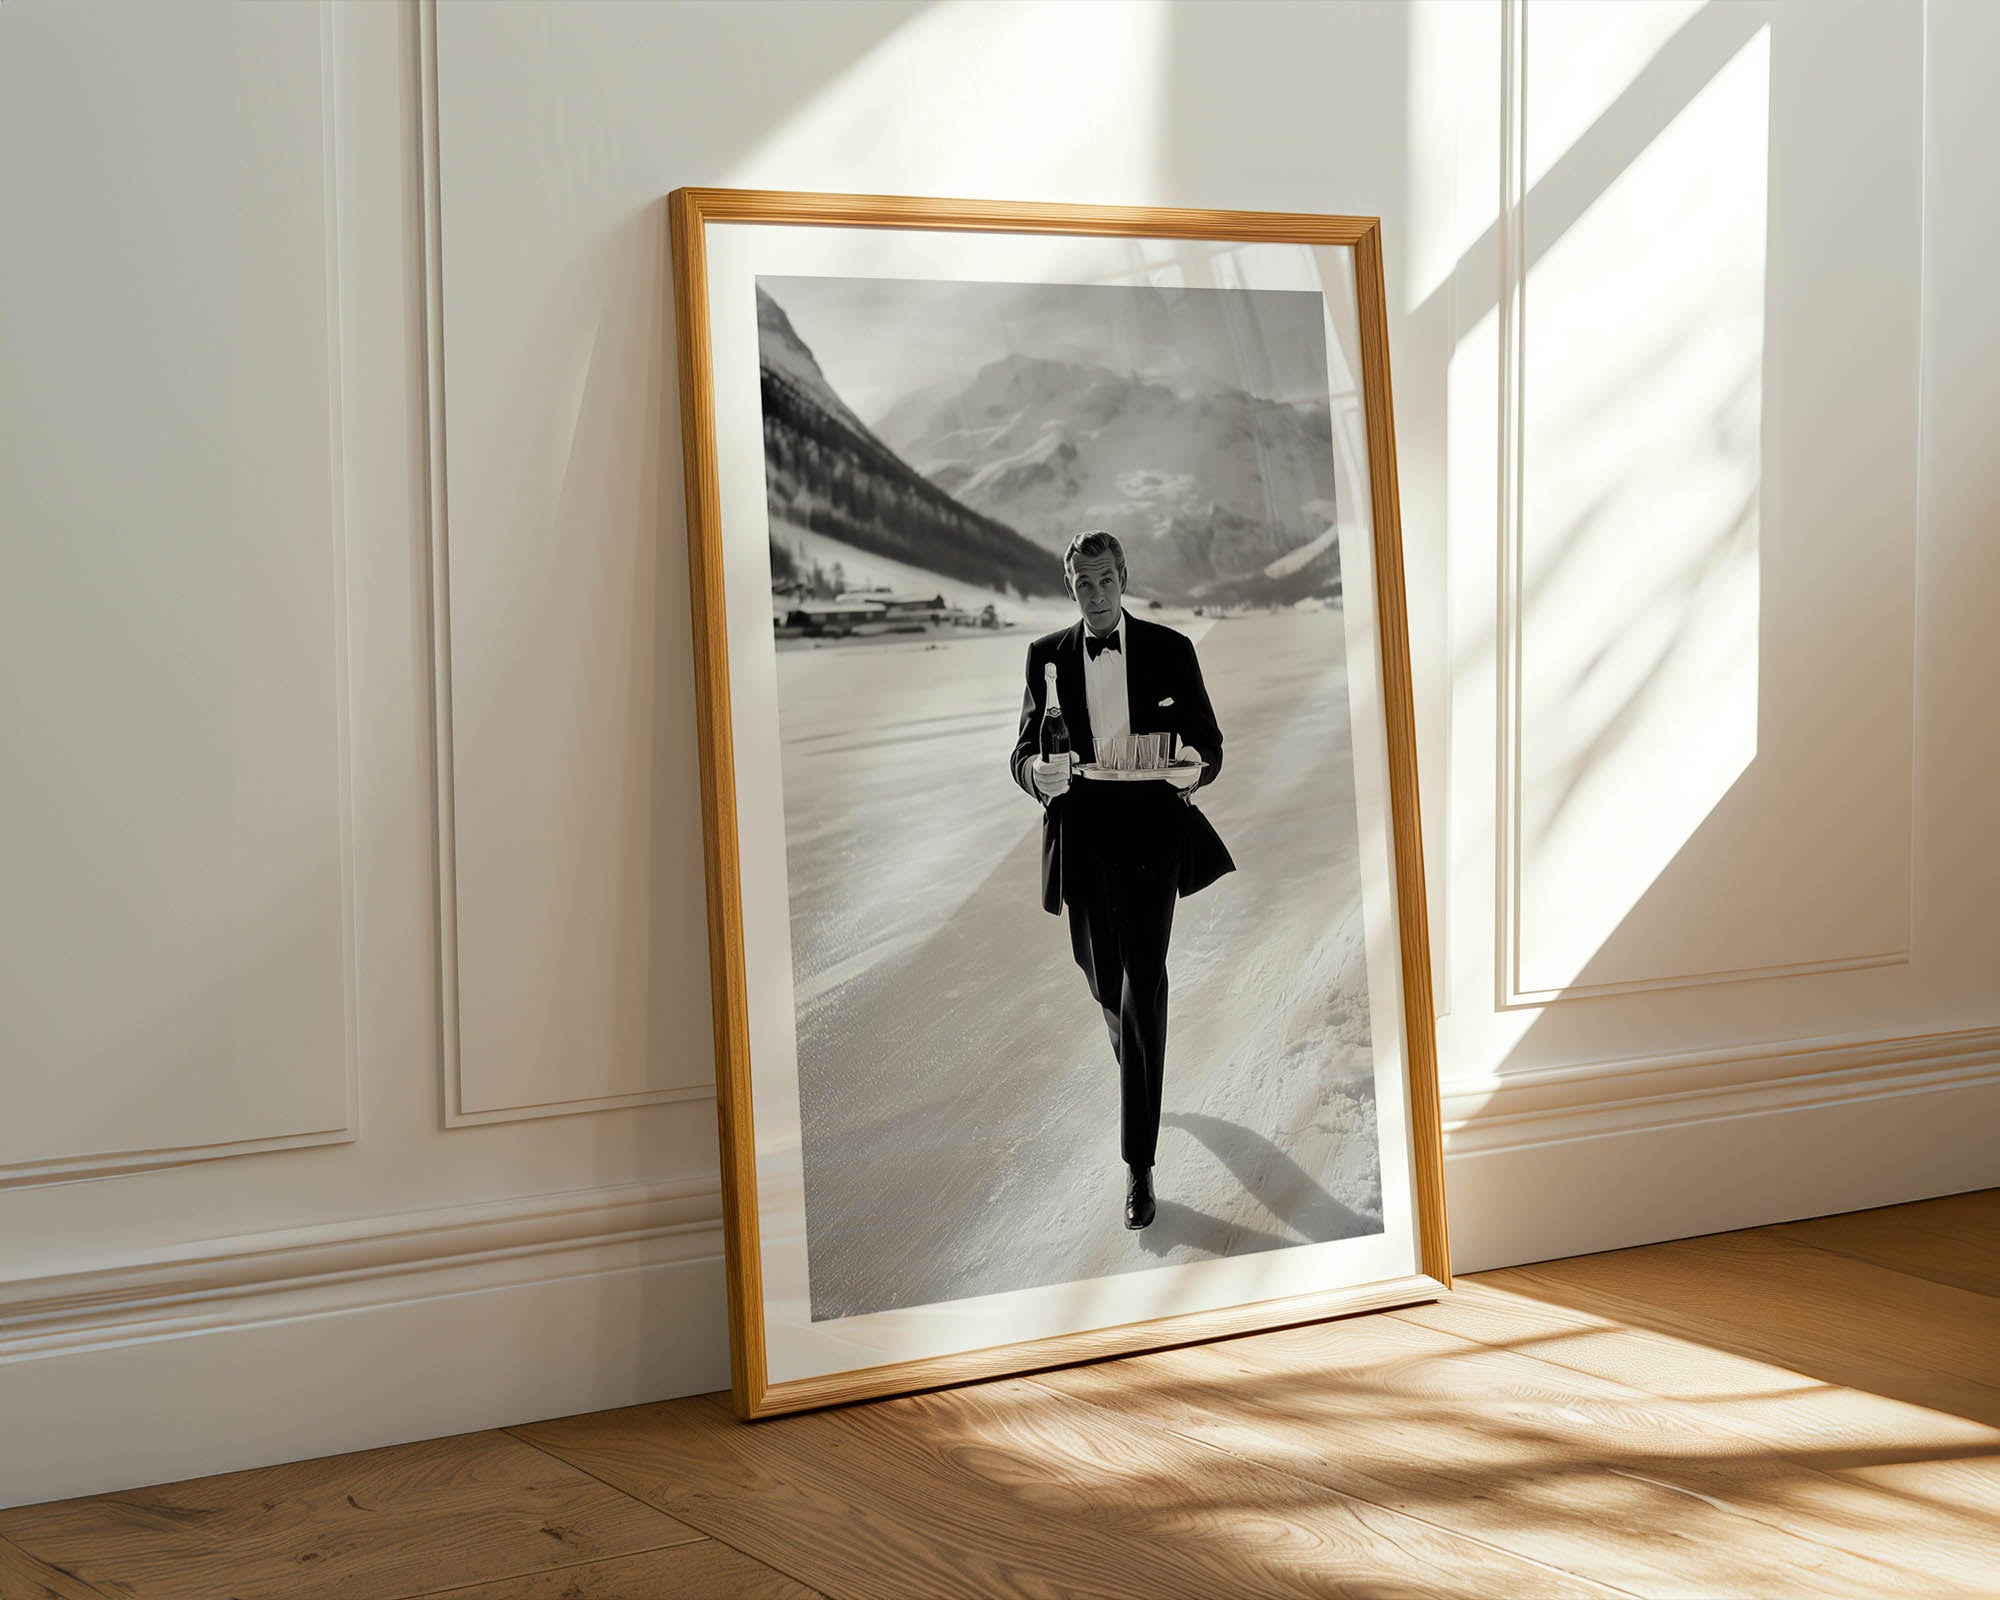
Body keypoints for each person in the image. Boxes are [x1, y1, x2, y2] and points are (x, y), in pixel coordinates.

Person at [1008, 530, 1235, 1229]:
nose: (1097, 594)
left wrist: (1193, 768)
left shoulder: (1172, 649)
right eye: (1084, 583)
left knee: (1143, 986)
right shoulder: (1045, 656)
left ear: (1124, 578)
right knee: (1105, 983)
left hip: (1152, 844)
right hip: (1082, 845)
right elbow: (1021, 751)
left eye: (1106, 580)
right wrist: (1036, 775)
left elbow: (1209, 746)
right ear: (1070, 587)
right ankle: (1137, 1059)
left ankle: (1139, 1164)